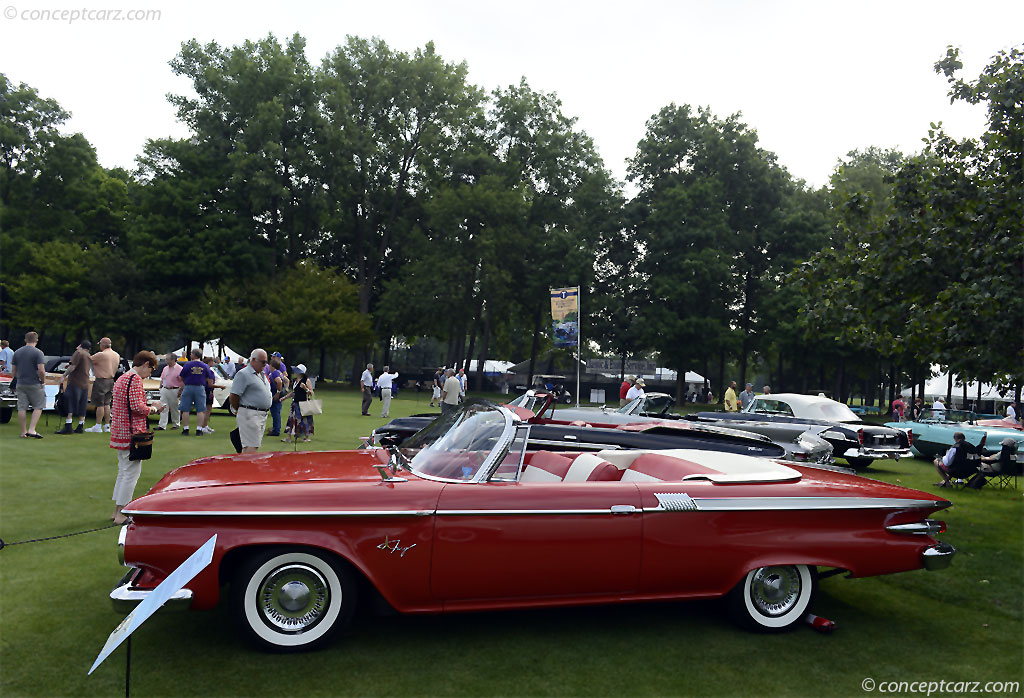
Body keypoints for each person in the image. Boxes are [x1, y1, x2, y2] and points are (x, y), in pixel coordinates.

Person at [110, 351, 165, 524]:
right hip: (131, 432)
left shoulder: (123, 377)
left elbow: (130, 405)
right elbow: (136, 407)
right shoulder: (134, 380)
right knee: (131, 474)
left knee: (123, 472)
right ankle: (121, 513)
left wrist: (148, 406)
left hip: (120, 430)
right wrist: (154, 408)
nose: (150, 374)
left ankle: (116, 511)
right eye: (151, 370)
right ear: (146, 365)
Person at [229, 349, 272, 452]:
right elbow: (234, 395)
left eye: (266, 362)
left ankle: (244, 467)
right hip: (250, 413)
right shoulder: (243, 374)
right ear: (253, 359)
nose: (265, 365)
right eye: (263, 362)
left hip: (261, 414)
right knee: (250, 447)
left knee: (252, 446)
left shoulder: (261, 374)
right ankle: (248, 467)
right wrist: (240, 409)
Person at [12, 331, 46, 438]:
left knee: (22, 407)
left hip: (21, 383)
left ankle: (23, 432)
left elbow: (13, 370)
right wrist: (43, 380)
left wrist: (17, 378)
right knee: (38, 406)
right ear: (36, 340)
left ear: (25, 340)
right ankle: (32, 429)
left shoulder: (17, 352)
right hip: (34, 383)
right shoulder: (38, 353)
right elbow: (41, 370)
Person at [56, 339, 92, 434]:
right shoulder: (88, 355)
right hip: (85, 383)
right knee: (82, 405)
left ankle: (68, 425)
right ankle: (80, 425)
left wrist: (64, 376)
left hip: (75, 382)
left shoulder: (78, 352)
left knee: (70, 403)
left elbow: (73, 367)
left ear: (80, 345)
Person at [86, 337, 120, 432]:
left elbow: (88, 359)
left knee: (99, 404)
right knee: (107, 403)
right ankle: (107, 425)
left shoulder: (101, 354)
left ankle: (98, 425)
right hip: (111, 380)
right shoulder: (116, 355)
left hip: (101, 380)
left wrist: (82, 351)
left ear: (102, 345)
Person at [177, 348, 213, 436]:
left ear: (194, 355)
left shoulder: (187, 365)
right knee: (200, 410)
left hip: (188, 387)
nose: (190, 355)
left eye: (191, 354)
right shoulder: (205, 366)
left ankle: (186, 429)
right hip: (200, 388)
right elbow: (209, 378)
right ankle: (199, 430)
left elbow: (181, 377)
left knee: (185, 409)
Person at [282, 363, 315, 442]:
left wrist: (305, 388)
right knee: (291, 420)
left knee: (304, 420)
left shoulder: (306, 380)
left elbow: (311, 392)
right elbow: (294, 392)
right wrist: (284, 397)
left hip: (303, 403)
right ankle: (289, 437)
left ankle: (307, 437)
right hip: (295, 403)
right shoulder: (295, 381)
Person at [156, 353, 182, 431]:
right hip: (165, 389)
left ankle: (176, 424)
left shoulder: (179, 369)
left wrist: (180, 390)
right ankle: (162, 425)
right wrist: (160, 387)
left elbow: (182, 381)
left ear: (173, 359)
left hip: (174, 389)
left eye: (167, 359)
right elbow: (162, 378)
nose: (166, 361)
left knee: (175, 408)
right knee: (163, 407)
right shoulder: (165, 368)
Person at [267, 356, 288, 436]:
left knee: (275, 412)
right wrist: (285, 389)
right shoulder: (279, 372)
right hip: (276, 393)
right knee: (276, 412)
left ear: (272, 366)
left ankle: (276, 430)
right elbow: (286, 380)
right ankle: (275, 428)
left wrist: (278, 392)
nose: (269, 366)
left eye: (270, 365)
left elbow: (279, 382)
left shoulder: (275, 373)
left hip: (274, 393)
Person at [197, 356, 218, 434]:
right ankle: (203, 426)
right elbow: (210, 384)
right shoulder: (209, 372)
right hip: (208, 391)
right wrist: (220, 386)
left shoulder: (202, 371)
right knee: (207, 409)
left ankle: (205, 425)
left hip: (203, 390)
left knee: (206, 409)